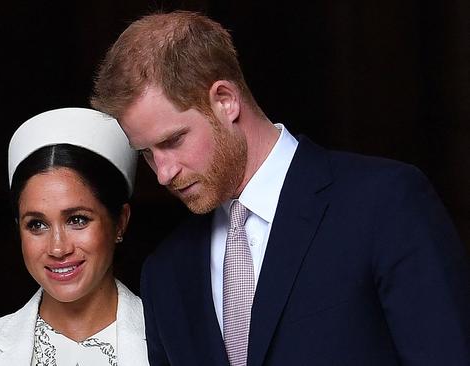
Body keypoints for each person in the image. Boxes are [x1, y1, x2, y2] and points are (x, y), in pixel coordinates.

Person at [90, 10, 470, 366]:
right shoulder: (165, 274)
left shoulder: (384, 204)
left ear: (225, 101)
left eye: (173, 141)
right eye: (147, 154)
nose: (162, 173)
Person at [0, 108, 149, 365]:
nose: (58, 248)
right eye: (37, 224)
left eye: (77, 220)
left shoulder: (178, 344)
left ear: (120, 222)